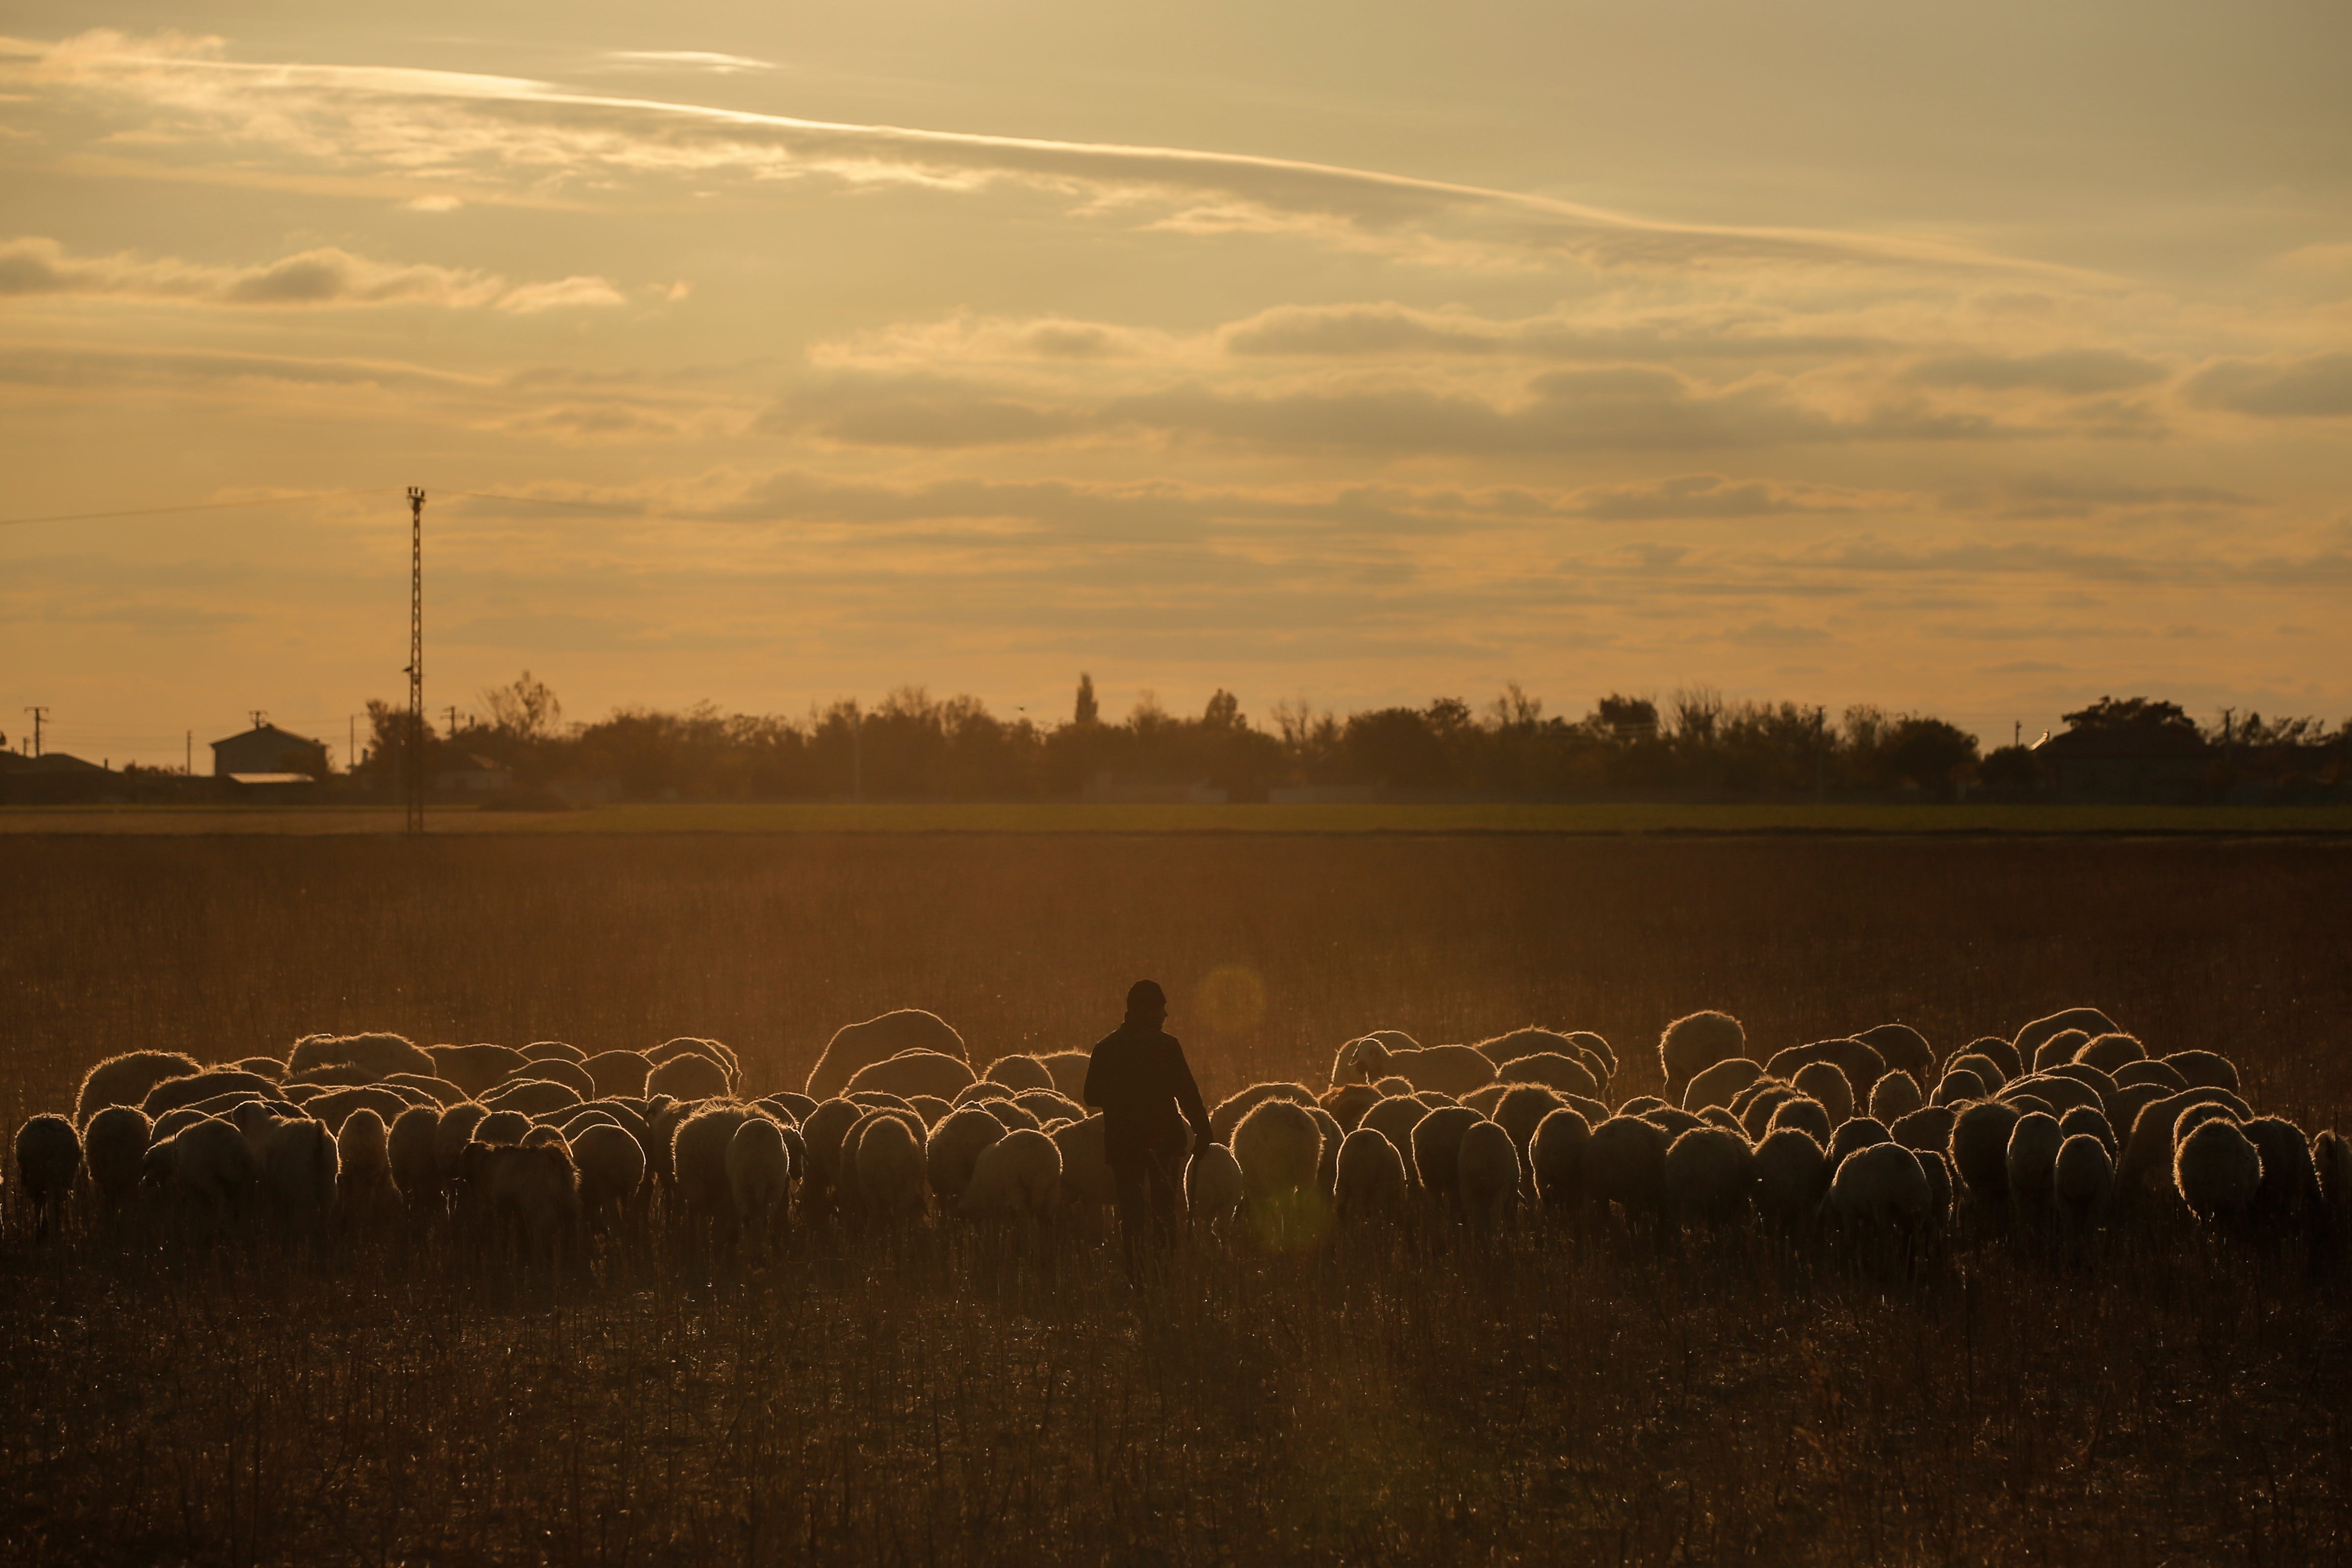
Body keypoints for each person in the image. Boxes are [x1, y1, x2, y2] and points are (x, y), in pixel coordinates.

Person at [1083, 979, 1215, 1272]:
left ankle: (1136, 1274)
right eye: (1160, 1008)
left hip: (1123, 1142)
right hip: (1163, 1140)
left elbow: (1091, 1096)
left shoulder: (1106, 1047)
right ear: (1145, 1010)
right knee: (1165, 1211)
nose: (1165, 1015)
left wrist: (1122, 1096)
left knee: (1131, 1213)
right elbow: (1188, 1093)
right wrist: (1204, 1132)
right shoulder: (1167, 1046)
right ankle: (1164, 1272)